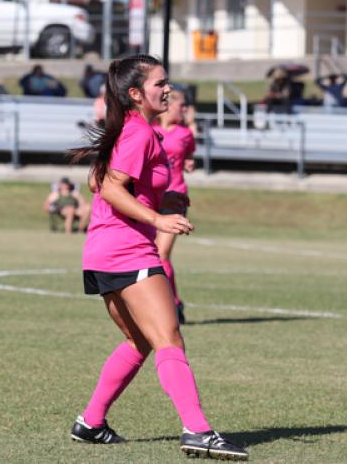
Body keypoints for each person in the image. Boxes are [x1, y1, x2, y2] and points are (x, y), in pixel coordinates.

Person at [69, 54, 248, 461]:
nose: (167, 89)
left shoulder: (129, 130)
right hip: (126, 247)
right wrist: (157, 218)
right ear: (135, 94)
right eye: (159, 83)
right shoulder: (138, 133)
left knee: (139, 340)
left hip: (103, 249)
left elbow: (99, 181)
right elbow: (112, 189)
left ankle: (91, 422)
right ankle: (198, 430)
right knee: (168, 337)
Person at [154, 88, 196, 324]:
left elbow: (188, 155)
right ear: (169, 106)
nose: (185, 110)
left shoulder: (185, 134)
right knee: (151, 254)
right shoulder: (152, 130)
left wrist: (188, 162)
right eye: (182, 106)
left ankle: (172, 304)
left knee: (162, 253)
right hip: (153, 198)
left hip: (176, 196)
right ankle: (170, 302)